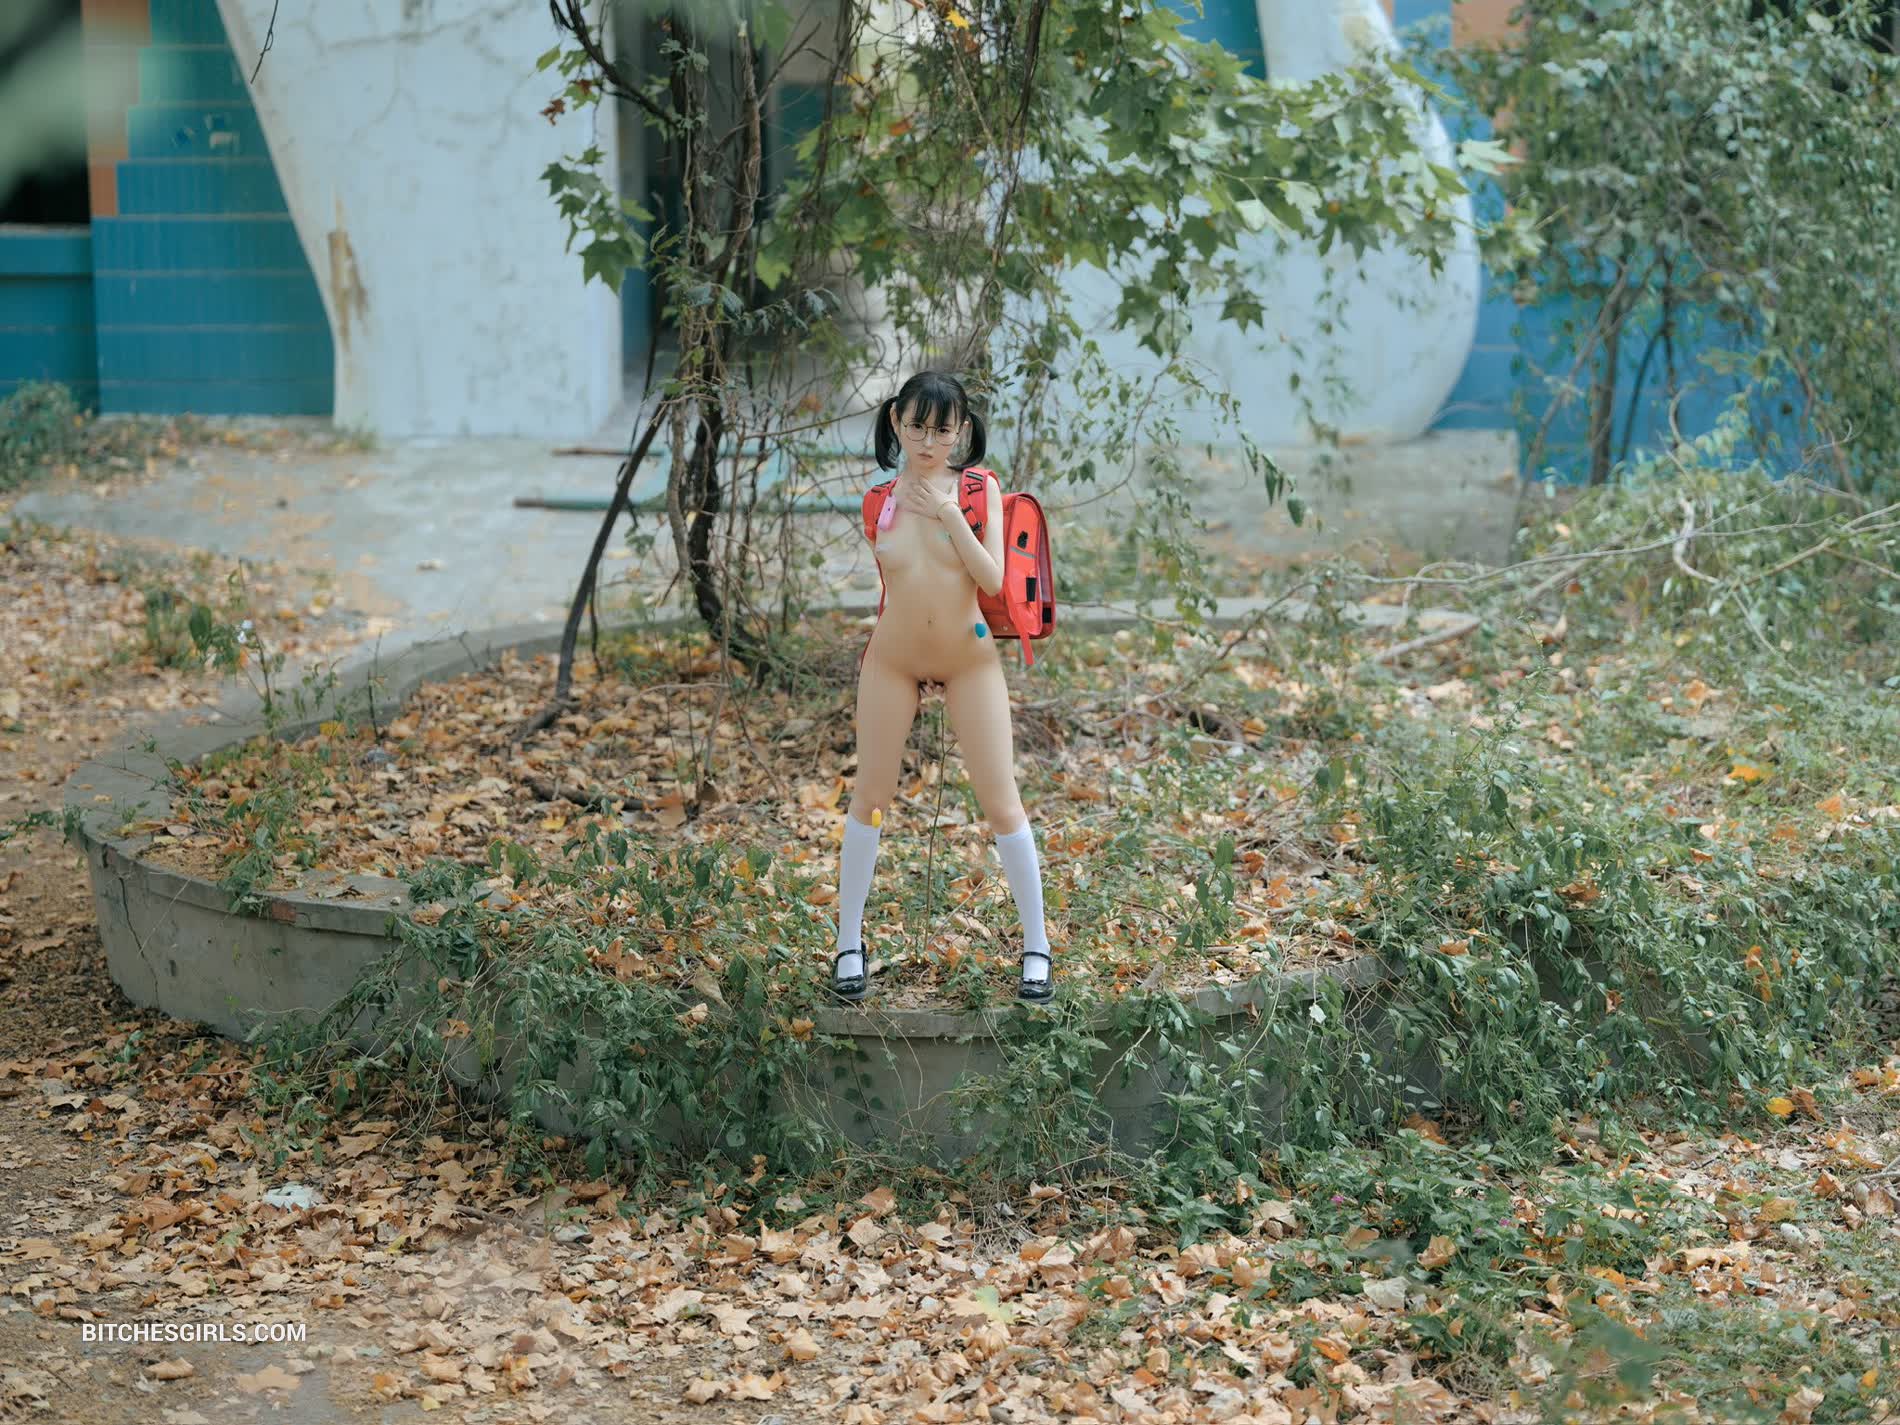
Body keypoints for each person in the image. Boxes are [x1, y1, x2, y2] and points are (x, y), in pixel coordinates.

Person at [831, 370, 1055, 1003]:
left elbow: (991, 579)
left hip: (968, 659)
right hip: (893, 660)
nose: (929, 442)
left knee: (1001, 800)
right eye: (917, 427)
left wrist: (950, 512)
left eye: (943, 430)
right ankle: (848, 942)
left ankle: (1036, 945)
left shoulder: (980, 489)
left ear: (962, 431)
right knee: (871, 796)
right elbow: (897, 584)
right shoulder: (878, 501)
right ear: (896, 422)